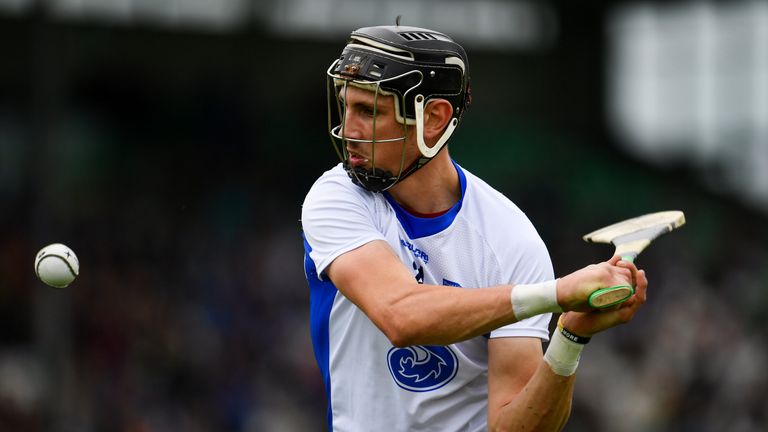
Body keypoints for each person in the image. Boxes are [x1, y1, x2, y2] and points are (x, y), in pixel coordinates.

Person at [301, 24, 647, 431]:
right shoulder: (337, 196)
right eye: (346, 106)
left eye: (369, 110)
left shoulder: (511, 240)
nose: (349, 129)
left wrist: (569, 336)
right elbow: (401, 316)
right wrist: (556, 294)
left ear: (433, 118)